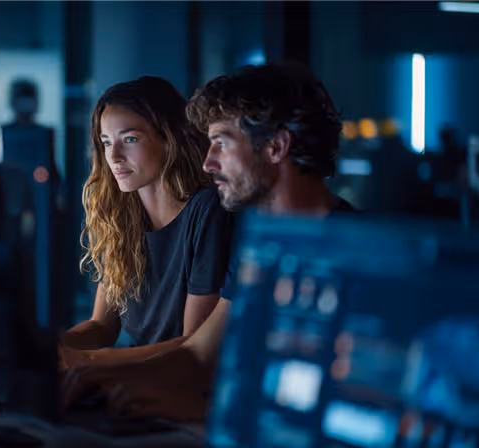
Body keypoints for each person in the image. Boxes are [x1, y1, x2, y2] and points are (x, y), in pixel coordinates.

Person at [62, 63, 357, 420]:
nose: (208, 162)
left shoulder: (360, 247)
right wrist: (91, 376)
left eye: (221, 143)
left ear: (276, 147)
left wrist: (91, 365)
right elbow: (201, 353)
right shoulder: (260, 246)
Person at [60, 77, 233, 359]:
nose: (113, 156)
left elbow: (191, 347)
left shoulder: (207, 209)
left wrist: (91, 361)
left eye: (130, 139)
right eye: (106, 142)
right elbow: (102, 325)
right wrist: (51, 348)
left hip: (181, 385)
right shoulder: (119, 219)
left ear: (168, 138)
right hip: (137, 377)